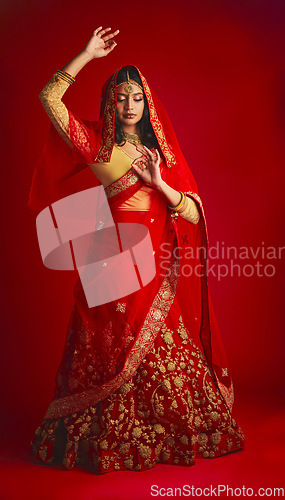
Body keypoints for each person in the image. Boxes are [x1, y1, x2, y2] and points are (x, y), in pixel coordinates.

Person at [28, 26, 245, 474]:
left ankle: (162, 434)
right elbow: (51, 98)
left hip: (155, 268)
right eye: (121, 97)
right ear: (110, 102)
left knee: (162, 352)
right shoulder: (97, 145)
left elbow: (191, 216)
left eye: (137, 98)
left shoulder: (158, 153)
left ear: (147, 104)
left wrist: (158, 184)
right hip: (110, 266)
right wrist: (86, 54)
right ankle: (106, 439)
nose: (130, 106)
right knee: (106, 353)